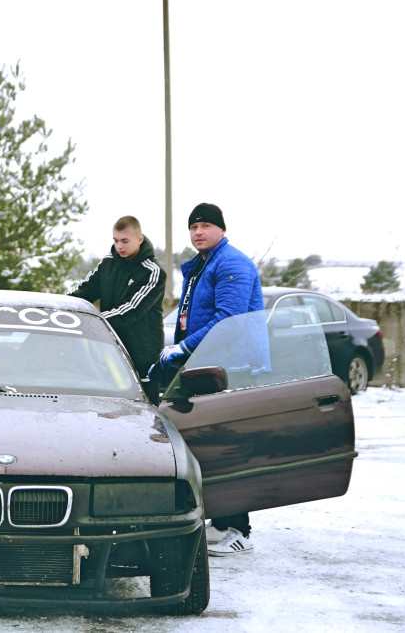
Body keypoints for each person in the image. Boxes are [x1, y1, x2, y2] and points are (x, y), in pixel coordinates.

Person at [154, 202, 264, 557]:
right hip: (207, 365)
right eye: (193, 227)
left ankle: (239, 529)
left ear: (220, 229)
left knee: (228, 446)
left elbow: (228, 320)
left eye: (205, 225)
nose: (198, 232)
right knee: (207, 443)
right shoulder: (203, 265)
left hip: (232, 366)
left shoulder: (231, 263)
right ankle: (220, 521)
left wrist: (183, 346)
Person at [68, 216, 167, 403]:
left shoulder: (152, 272)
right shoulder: (108, 263)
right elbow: (85, 289)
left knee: (146, 410)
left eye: (124, 241)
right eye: (115, 240)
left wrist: (93, 322)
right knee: (110, 407)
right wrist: (62, 306)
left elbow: (131, 309)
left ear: (140, 239)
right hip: (110, 348)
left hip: (142, 355)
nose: (119, 246)